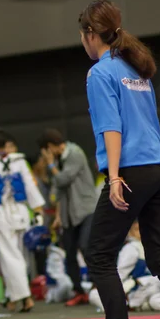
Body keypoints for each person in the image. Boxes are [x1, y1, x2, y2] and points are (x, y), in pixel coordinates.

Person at [76, 0, 160, 319]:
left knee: (99, 254)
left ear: (90, 35)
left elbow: (110, 127)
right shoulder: (135, 68)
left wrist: (114, 176)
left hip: (132, 170)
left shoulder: (100, 73)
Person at [0, 128, 45, 312]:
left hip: (1, 214)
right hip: (21, 212)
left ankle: (25, 297)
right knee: (19, 256)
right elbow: (30, 186)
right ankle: (14, 298)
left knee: (10, 258)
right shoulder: (19, 162)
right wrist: (37, 210)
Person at [38, 128, 99, 306]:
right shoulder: (57, 160)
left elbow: (64, 179)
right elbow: (58, 189)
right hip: (68, 214)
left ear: (49, 147)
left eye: (45, 151)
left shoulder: (75, 153)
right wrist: (57, 215)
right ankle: (79, 291)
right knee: (70, 252)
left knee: (86, 246)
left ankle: (98, 286)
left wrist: (50, 165)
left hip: (86, 209)